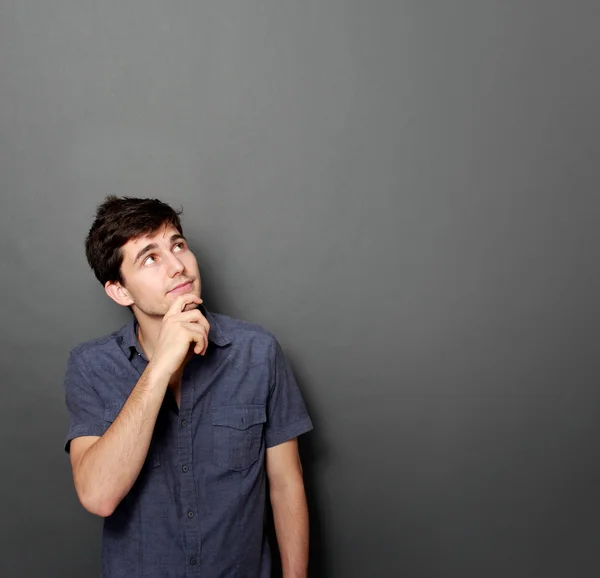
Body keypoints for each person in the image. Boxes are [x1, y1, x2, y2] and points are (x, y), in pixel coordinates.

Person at [62, 195, 314, 578]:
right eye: (150, 257)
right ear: (120, 291)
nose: (178, 266)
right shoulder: (91, 366)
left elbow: (285, 486)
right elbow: (98, 496)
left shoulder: (257, 352)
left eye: (177, 245)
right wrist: (161, 366)